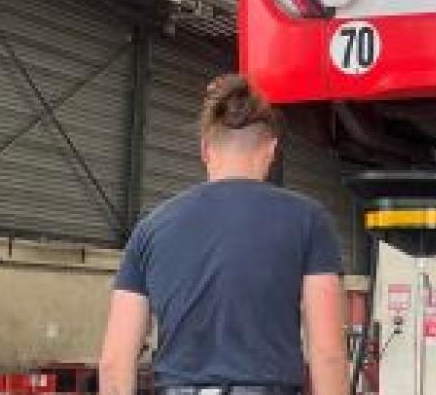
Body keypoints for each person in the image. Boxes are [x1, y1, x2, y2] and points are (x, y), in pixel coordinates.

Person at [98, 75, 348, 395]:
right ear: (272, 149)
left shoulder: (150, 229)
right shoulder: (309, 221)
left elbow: (115, 361)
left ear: (205, 148)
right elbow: (327, 354)